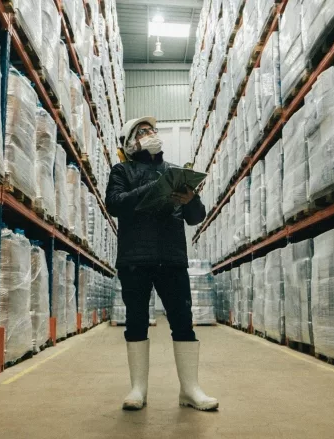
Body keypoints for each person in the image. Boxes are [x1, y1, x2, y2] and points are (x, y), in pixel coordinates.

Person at [105, 116, 219, 412]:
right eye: (143, 131)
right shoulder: (122, 171)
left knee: (182, 320)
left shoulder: (174, 171)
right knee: (137, 320)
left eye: (153, 130)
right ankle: (138, 389)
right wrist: (155, 188)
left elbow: (196, 218)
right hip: (135, 259)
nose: (151, 134)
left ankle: (190, 389)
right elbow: (115, 203)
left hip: (172, 258)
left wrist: (190, 199)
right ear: (129, 142)